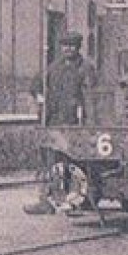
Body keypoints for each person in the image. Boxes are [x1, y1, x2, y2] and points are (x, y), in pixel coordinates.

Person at [25, 33, 99, 214]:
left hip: (74, 123)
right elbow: (35, 85)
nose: (68, 49)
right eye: (65, 45)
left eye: (72, 46)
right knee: (50, 163)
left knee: (74, 165)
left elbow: (91, 96)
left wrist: (88, 121)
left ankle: (77, 201)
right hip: (53, 121)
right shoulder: (53, 68)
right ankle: (47, 200)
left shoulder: (85, 68)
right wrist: (40, 100)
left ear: (78, 47)